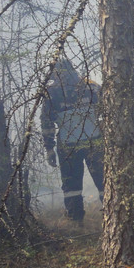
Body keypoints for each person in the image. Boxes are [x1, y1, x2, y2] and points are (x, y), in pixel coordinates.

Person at [40, 57, 105, 222]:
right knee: (104, 182)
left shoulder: (51, 93)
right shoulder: (92, 86)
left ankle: (76, 222)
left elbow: (47, 123)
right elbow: (107, 111)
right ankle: (112, 218)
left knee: (72, 187)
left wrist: (49, 149)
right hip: (94, 143)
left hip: (69, 147)